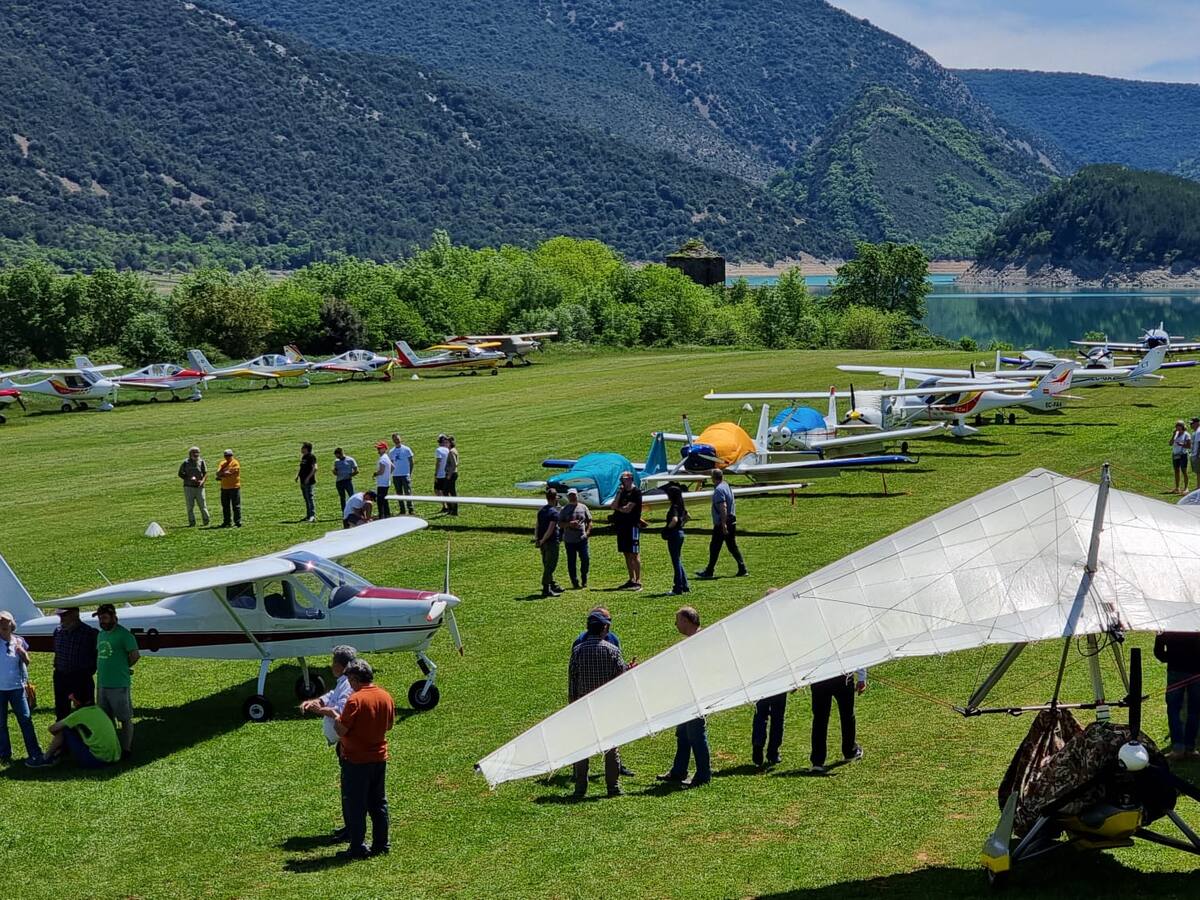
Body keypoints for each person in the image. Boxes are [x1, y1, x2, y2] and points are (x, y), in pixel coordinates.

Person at [318, 659, 394, 860]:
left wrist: (335, 715)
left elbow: (341, 729)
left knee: (356, 804)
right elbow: (389, 726)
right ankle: (381, 844)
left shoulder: (355, 700)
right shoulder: (385, 696)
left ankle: (358, 847)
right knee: (378, 803)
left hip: (356, 760)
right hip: (379, 757)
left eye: (349, 680)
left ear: (353, 678)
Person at [568, 609, 628, 798]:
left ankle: (580, 788)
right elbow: (621, 679)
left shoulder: (578, 650)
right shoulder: (612, 651)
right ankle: (613, 787)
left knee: (582, 749)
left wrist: (573, 705)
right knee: (611, 748)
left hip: (584, 706)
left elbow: (572, 681)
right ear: (604, 628)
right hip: (607, 707)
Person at [301, 645, 358, 840]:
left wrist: (318, 710)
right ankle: (349, 825)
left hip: (347, 743)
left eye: (333, 662)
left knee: (350, 788)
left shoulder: (349, 684)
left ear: (340, 666)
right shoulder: (344, 681)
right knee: (346, 787)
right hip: (342, 742)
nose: (331, 665)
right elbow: (333, 695)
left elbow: (341, 710)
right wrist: (319, 701)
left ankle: (352, 830)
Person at [656, 607, 711, 788]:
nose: (675, 624)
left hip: (696, 697)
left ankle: (703, 775)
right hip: (686, 696)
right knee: (683, 734)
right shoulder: (693, 641)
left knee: (696, 735)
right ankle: (679, 771)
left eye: (678, 620)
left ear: (687, 621)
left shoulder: (699, 641)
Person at [26, 693, 120, 769]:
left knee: (65, 730)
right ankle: (58, 754)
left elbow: (52, 728)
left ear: (77, 702)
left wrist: (61, 742)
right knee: (74, 730)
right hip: (115, 757)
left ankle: (46, 758)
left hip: (97, 761)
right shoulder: (98, 709)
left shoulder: (79, 715)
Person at [95, 602, 139, 758]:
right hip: (102, 684)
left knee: (125, 718)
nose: (102, 622)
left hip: (119, 684)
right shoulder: (101, 635)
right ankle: (112, 746)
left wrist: (123, 667)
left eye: (105, 618)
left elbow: (134, 655)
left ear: (114, 617)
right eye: (100, 619)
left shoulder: (124, 635)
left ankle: (126, 749)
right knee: (106, 719)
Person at [0, 611, 43, 766]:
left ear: (11, 625)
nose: (2, 626)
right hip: (0, 689)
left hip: (17, 687)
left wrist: (22, 652)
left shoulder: (19, 641)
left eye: (5, 623)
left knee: (25, 720)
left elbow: (27, 661)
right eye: (0, 623)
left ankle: (34, 752)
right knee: (1, 723)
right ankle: (4, 753)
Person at [809, 669, 867, 774]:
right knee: (846, 715)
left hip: (820, 679)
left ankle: (817, 761)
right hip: (840, 677)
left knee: (820, 719)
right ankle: (849, 751)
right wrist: (862, 677)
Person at [1154, 631, 1200, 761]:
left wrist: (1172, 658)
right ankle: (1190, 748)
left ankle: (1178, 748)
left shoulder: (1167, 626)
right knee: (1194, 711)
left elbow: (1158, 651)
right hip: (1197, 672)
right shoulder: (1195, 619)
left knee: (1174, 710)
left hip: (1176, 670)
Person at [696, 469, 747, 579]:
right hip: (731, 520)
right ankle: (742, 568)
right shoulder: (726, 485)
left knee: (715, 546)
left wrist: (723, 524)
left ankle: (709, 571)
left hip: (722, 523)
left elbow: (723, 507)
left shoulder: (719, 490)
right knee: (731, 546)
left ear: (713, 478)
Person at [51, 606, 97, 720]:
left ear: (75, 614)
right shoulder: (58, 631)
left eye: (64, 615)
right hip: (61, 676)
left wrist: (88, 671)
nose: (61, 619)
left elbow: (95, 655)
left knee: (85, 712)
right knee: (61, 712)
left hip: (81, 678)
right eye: (60, 616)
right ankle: (63, 736)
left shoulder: (89, 633)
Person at [610, 471, 642, 591]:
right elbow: (613, 506)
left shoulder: (636, 492)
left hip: (632, 526)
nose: (624, 481)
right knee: (626, 553)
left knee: (634, 554)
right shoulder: (622, 492)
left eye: (626, 479)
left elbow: (627, 509)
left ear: (631, 479)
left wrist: (619, 508)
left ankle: (638, 580)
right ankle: (631, 579)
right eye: (622, 479)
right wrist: (618, 494)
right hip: (622, 527)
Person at [559, 487, 592, 589]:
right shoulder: (564, 509)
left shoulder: (583, 507)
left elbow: (590, 521)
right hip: (569, 540)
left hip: (582, 539)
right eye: (570, 495)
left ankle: (584, 578)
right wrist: (569, 524)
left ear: (577, 495)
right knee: (571, 561)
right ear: (568, 497)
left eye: (574, 495)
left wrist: (587, 533)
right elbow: (560, 524)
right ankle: (574, 581)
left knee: (585, 559)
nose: (572, 497)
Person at [662, 482, 689, 595]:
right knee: (678, 559)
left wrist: (667, 529)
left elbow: (674, 520)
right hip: (680, 533)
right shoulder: (681, 505)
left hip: (674, 534)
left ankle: (677, 587)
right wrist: (681, 526)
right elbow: (688, 517)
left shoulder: (674, 507)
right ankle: (685, 585)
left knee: (676, 561)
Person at [536, 488, 563, 598]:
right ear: (555, 498)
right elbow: (551, 529)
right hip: (551, 542)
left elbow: (537, 526)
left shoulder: (541, 510)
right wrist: (543, 540)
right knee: (550, 566)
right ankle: (546, 588)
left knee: (546, 564)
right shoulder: (554, 513)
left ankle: (552, 585)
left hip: (542, 542)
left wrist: (538, 539)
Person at [178, 446, 210, 527]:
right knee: (190, 506)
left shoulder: (201, 461)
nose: (196, 454)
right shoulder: (185, 463)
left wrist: (202, 481)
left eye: (197, 452)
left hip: (200, 488)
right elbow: (180, 473)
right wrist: (188, 478)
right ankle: (192, 522)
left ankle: (206, 521)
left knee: (203, 505)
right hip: (188, 487)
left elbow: (205, 473)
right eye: (194, 453)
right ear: (190, 454)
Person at [389, 434, 415, 515]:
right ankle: (402, 510)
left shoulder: (406, 449)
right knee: (399, 493)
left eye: (397, 438)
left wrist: (409, 473)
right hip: (396, 475)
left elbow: (411, 462)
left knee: (408, 492)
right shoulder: (391, 452)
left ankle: (411, 509)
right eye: (394, 439)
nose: (396, 440)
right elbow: (391, 464)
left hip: (405, 474)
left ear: (400, 439)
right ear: (393, 441)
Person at [216, 448, 242, 527]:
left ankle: (237, 521)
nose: (228, 457)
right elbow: (218, 473)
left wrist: (222, 474)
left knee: (236, 506)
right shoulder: (222, 463)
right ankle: (227, 521)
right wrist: (221, 474)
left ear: (232, 455)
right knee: (225, 506)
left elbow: (229, 473)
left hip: (234, 487)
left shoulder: (235, 463)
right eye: (226, 456)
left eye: (229, 455)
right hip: (224, 488)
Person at [297, 442, 318, 522]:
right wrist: (297, 476)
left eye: (303, 447)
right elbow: (302, 468)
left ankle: (312, 516)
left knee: (310, 498)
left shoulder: (311, 457)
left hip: (309, 481)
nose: (301, 449)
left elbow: (315, 468)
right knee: (306, 498)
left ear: (306, 449)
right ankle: (308, 515)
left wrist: (308, 478)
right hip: (302, 480)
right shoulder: (304, 457)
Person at [373, 441, 393, 519]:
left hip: (382, 483)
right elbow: (393, 467)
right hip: (386, 482)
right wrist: (388, 475)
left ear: (384, 449)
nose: (378, 450)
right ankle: (387, 514)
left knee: (380, 501)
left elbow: (381, 471)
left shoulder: (382, 459)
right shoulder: (386, 457)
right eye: (378, 448)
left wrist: (375, 474)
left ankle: (382, 515)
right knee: (385, 500)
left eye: (380, 448)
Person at [1171, 420, 1192, 494]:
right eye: (1177, 426)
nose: (1178, 428)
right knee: (1176, 471)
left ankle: (1186, 488)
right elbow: (1170, 443)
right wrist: (1173, 435)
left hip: (1183, 455)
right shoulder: (1176, 433)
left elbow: (1189, 446)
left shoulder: (1186, 435)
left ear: (1182, 427)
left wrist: (1181, 444)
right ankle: (1177, 488)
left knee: (1184, 471)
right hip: (1175, 454)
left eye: (1179, 426)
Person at [434, 434, 450, 513]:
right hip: (447, 473)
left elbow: (438, 462)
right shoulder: (448, 449)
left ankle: (445, 506)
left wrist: (435, 474)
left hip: (440, 474)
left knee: (437, 490)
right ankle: (449, 505)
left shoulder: (438, 450)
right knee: (446, 490)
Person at [444, 435, 459, 515]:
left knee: (448, 492)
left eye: (447, 442)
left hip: (451, 474)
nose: (445, 444)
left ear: (450, 443)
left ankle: (452, 509)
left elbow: (454, 464)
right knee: (450, 492)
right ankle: (452, 509)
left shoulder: (451, 452)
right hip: (453, 473)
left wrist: (449, 474)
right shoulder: (453, 450)